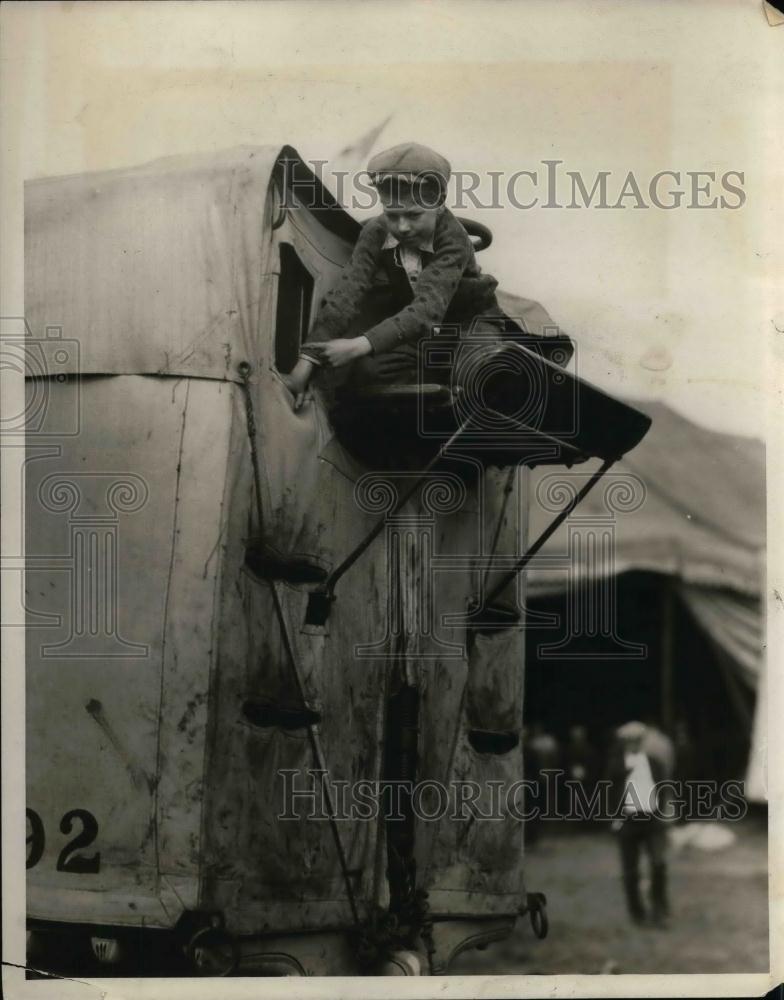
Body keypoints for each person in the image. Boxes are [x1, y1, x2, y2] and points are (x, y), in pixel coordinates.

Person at [280, 142, 506, 408]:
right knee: (369, 373)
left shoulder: (454, 238)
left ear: (439, 204)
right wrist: (308, 362)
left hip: (470, 323)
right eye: (392, 214)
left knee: (478, 376)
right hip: (424, 335)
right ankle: (426, 413)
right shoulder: (375, 233)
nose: (402, 227)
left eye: (414, 215)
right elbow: (346, 296)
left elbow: (426, 311)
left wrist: (358, 345)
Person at [607, 720, 672, 928]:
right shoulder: (616, 766)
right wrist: (613, 818)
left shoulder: (655, 763)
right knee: (630, 870)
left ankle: (659, 907)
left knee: (658, 864)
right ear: (623, 743)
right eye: (629, 741)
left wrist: (663, 813)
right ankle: (637, 912)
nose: (633, 744)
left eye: (637, 740)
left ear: (642, 741)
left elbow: (663, 789)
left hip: (652, 821)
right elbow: (607, 793)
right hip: (628, 822)